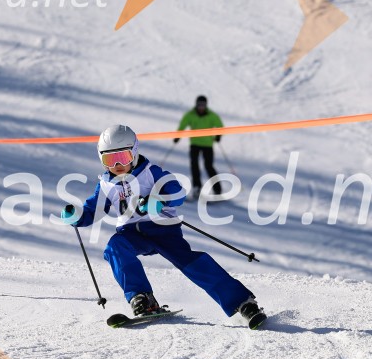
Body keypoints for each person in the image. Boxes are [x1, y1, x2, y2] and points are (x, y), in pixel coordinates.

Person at [61, 124, 266, 329]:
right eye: (109, 159)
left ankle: (242, 303)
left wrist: (159, 200)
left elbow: (178, 192)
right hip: (131, 234)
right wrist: (77, 217)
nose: (117, 164)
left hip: (163, 230)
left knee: (192, 263)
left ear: (134, 152)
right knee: (115, 248)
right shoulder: (105, 184)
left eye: (122, 157)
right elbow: (93, 210)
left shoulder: (151, 173)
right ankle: (142, 298)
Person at [173, 95, 224, 200]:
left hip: (207, 144)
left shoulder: (211, 115)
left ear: (206, 105)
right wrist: (178, 136)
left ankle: (217, 190)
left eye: (203, 105)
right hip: (195, 144)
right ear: (196, 105)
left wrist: (218, 135)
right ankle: (197, 188)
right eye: (199, 105)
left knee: (209, 166)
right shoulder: (190, 115)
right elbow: (182, 125)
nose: (201, 107)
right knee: (194, 165)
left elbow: (220, 125)